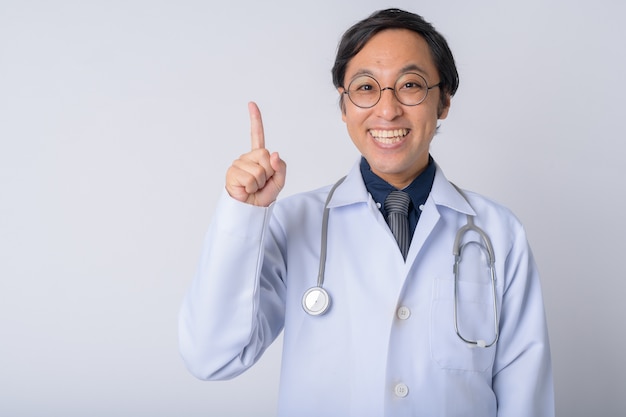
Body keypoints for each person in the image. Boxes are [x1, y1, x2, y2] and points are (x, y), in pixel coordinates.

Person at [179, 8, 554, 417]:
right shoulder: (292, 223)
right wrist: (242, 216)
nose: (387, 109)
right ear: (344, 106)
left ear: (443, 101)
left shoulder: (498, 233)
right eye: (365, 87)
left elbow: (525, 395)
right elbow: (211, 357)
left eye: (410, 85)